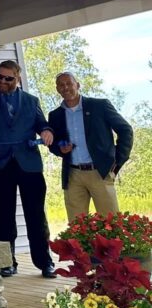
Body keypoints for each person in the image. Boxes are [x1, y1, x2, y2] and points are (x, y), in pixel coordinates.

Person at [0, 60, 55, 278]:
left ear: (18, 78)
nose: (2, 81)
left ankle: (45, 262)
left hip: (29, 165)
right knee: (3, 216)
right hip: (0, 165)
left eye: (8, 78)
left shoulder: (31, 101)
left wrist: (46, 131)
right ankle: (7, 262)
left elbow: (41, 123)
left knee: (36, 216)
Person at [48, 71, 133, 220]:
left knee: (111, 223)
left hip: (100, 171)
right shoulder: (55, 115)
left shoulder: (100, 106)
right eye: (61, 85)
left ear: (78, 85)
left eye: (69, 83)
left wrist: (117, 162)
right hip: (73, 175)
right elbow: (53, 143)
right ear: (57, 89)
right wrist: (59, 149)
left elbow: (125, 130)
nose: (65, 87)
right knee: (77, 228)